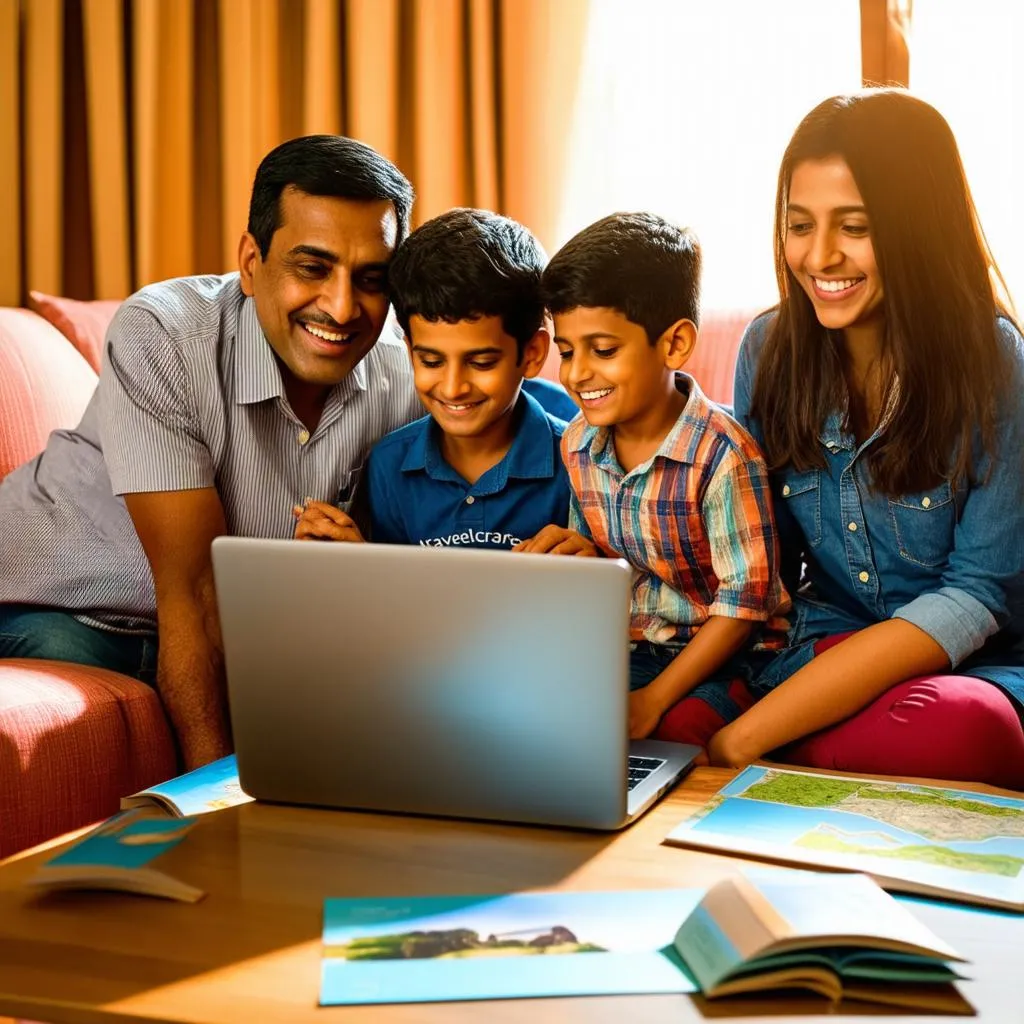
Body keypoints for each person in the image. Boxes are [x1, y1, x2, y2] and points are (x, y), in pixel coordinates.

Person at [0, 135, 423, 769]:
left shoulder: (409, 373)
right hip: (68, 608)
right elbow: (196, 590)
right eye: (312, 267)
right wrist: (221, 807)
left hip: (246, 634)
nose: (341, 308)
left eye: (370, 279)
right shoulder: (166, 334)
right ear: (251, 263)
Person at [712, 89, 1024, 789]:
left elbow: (979, 593)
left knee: (972, 729)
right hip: (819, 646)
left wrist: (747, 737)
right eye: (799, 224)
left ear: (917, 226)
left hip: (967, 667)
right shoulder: (768, 348)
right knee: (667, 713)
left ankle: (788, 741)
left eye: (854, 226)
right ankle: (813, 737)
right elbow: (757, 556)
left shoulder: (996, 363)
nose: (820, 255)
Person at [518, 212, 790, 747]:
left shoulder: (724, 456)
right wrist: (577, 558)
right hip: (629, 648)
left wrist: (653, 699)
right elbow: (599, 558)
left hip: (729, 658)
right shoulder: (578, 444)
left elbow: (746, 608)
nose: (575, 375)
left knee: (678, 731)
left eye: (603, 351)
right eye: (568, 352)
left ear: (674, 345)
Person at [294, 208, 574, 548]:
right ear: (410, 350)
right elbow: (396, 595)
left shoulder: (579, 464)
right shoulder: (388, 465)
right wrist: (363, 561)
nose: (453, 387)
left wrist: (593, 567)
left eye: (482, 362)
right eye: (431, 361)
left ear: (531, 354)